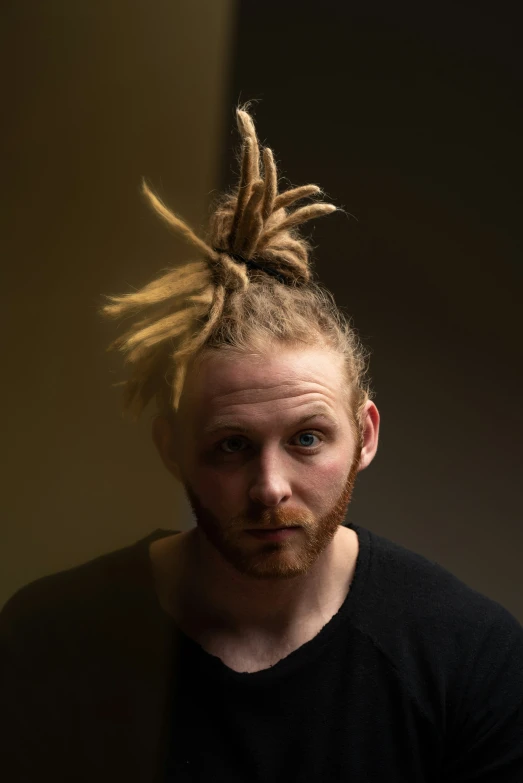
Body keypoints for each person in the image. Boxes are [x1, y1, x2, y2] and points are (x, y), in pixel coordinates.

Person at [1, 107, 522, 783]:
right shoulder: (48, 639)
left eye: (307, 438)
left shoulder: (469, 658)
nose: (270, 486)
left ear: (363, 435)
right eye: (229, 446)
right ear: (172, 449)